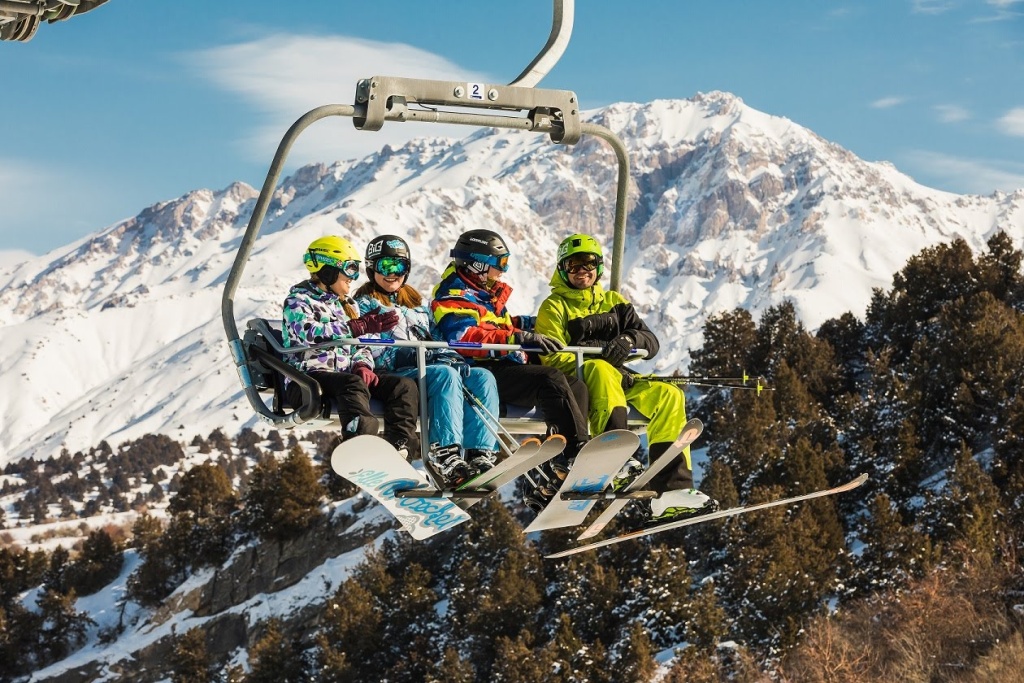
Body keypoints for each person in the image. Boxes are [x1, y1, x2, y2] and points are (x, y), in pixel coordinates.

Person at [534, 233, 718, 525]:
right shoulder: (554, 307)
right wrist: (597, 363)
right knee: (602, 370)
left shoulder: (614, 302)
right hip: (579, 385)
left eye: (589, 263)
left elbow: (650, 342)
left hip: (618, 382)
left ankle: (671, 489)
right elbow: (553, 359)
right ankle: (615, 455)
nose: (582, 271)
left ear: (600, 267)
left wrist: (629, 337)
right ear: (561, 269)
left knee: (669, 395)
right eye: (573, 265)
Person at [430, 228, 592, 509]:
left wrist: (532, 325)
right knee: (550, 380)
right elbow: (464, 337)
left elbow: (498, 325)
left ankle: (552, 469)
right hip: (478, 372)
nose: (501, 273)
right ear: (478, 265)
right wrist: (516, 338)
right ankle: (574, 453)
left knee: (575, 385)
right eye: (499, 265)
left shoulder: (484, 294)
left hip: (502, 366)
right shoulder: (453, 295)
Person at [353, 234, 502, 487]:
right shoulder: (362, 306)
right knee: (444, 375)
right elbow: (366, 347)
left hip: (429, 365)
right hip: (396, 372)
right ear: (371, 268)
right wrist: (416, 354)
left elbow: (439, 339)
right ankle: (445, 453)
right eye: (385, 267)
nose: (393, 274)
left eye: (399, 267)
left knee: (481, 376)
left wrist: (450, 357)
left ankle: (480, 453)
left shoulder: (418, 307)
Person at [282, 235, 420, 460]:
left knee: (402, 386)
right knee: (352, 384)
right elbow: (309, 333)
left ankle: (401, 446)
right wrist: (355, 327)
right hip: (308, 379)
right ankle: (359, 443)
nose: (353, 278)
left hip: (346, 377)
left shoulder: (347, 304)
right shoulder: (298, 301)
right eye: (349, 269)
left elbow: (361, 345)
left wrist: (362, 364)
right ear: (327, 270)